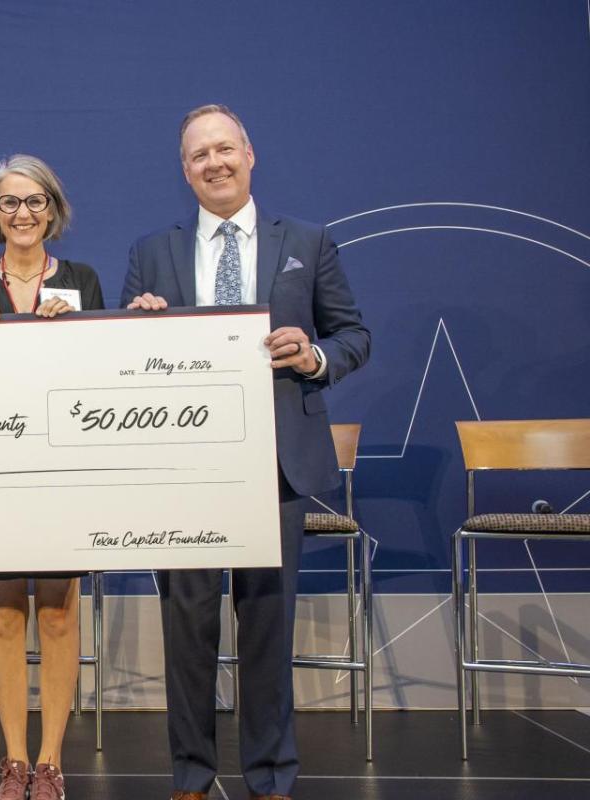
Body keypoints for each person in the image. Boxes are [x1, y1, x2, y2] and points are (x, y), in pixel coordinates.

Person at [122, 105, 370, 800]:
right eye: (200, 155)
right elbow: (119, 358)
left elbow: (353, 335)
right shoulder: (152, 253)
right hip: (183, 470)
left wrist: (315, 354)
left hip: (275, 466)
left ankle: (269, 778)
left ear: (250, 154)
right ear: (185, 170)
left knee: (266, 628)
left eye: (224, 149)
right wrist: (136, 331)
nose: (214, 163)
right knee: (187, 629)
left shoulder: (309, 243)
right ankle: (192, 776)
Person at [0, 154, 105, 800]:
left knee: (60, 615)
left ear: (53, 209)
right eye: (10, 203)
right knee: (5, 612)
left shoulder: (84, 281)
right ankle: (13, 760)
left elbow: (103, 379)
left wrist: (82, 333)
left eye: (35, 201)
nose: (23, 214)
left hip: (63, 471)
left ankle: (51, 762)